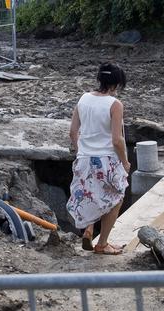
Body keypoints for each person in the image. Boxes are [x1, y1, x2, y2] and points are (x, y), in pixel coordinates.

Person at [66, 63, 130, 255]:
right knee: (116, 197)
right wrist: (125, 162)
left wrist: (82, 152)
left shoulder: (83, 99)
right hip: (106, 160)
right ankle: (102, 244)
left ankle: (89, 228)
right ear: (116, 84)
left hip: (84, 159)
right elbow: (117, 140)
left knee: (91, 195)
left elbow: (72, 132)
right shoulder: (115, 104)